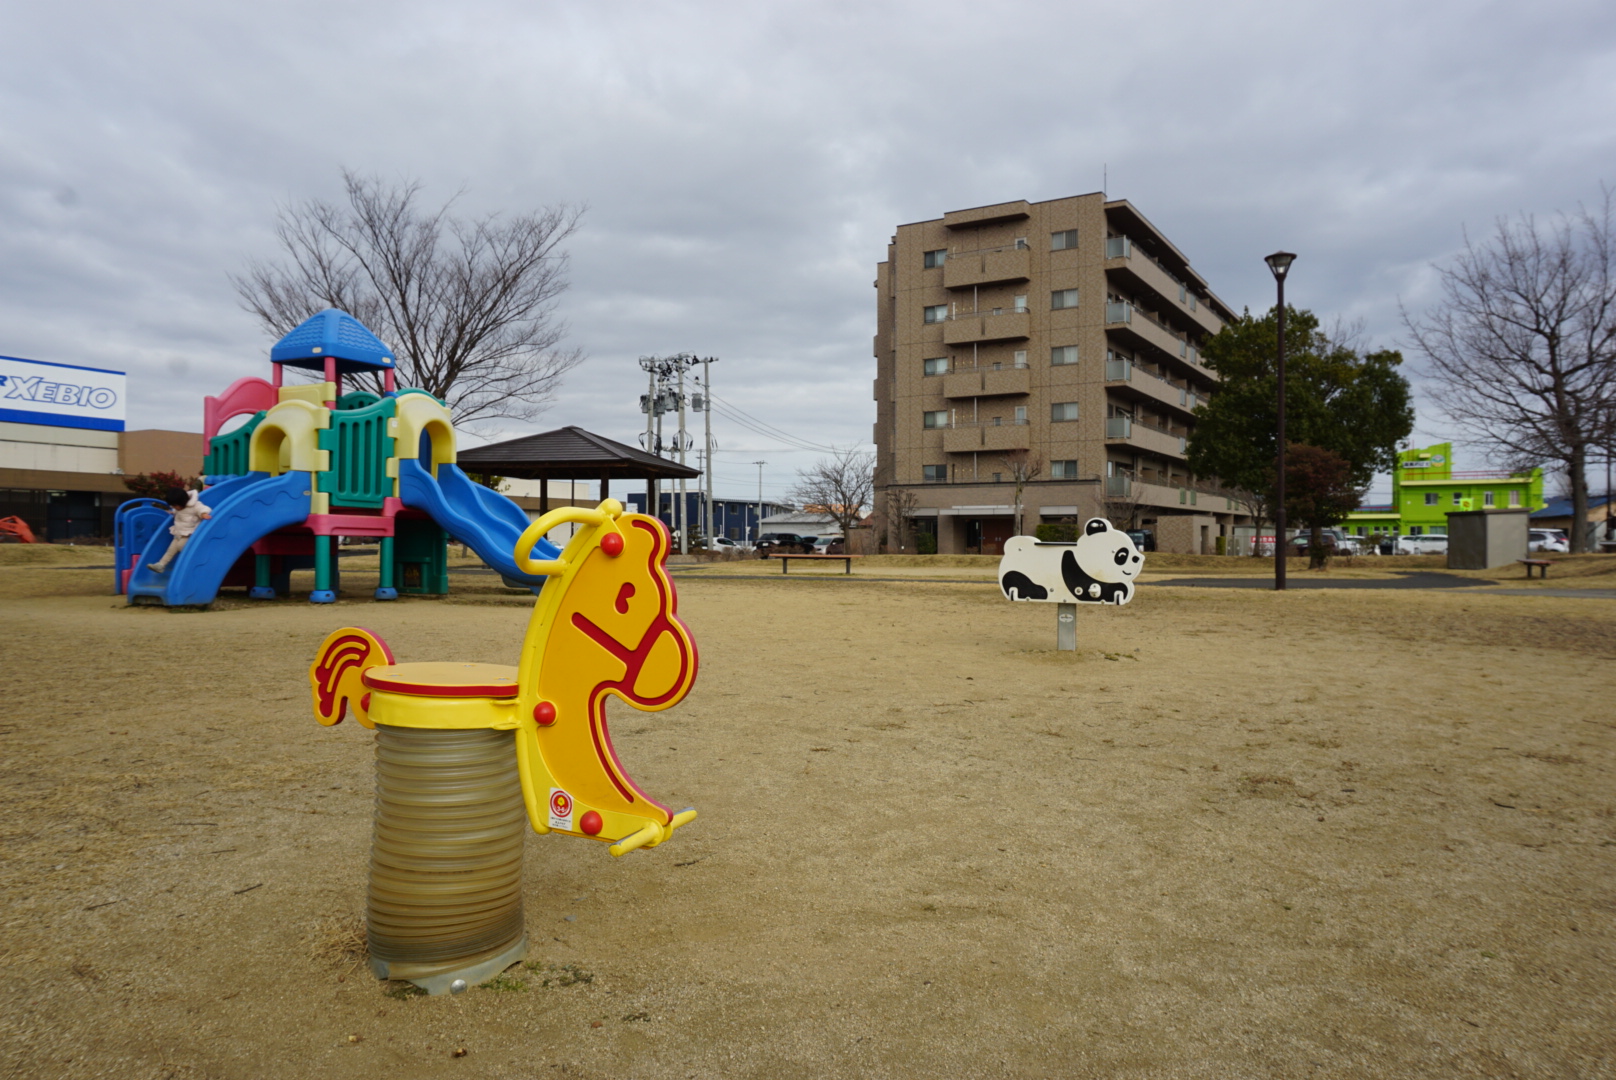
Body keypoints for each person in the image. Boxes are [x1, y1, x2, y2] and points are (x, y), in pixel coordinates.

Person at [148, 487, 211, 573]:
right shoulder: (178, 508)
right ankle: (161, 565)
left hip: (189, 534)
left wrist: (203, 514)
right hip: (178, 532)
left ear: (183, 502)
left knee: (180, 546)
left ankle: (186, 565)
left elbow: (203, 509)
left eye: (175, 505)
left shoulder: (195, 505)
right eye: (172, 506)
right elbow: (177, 513)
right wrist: (172, 512)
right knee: (170, 550)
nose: (174, 507)